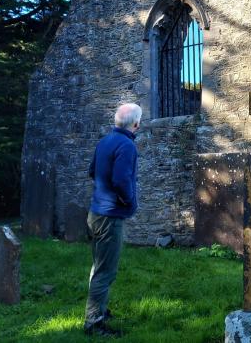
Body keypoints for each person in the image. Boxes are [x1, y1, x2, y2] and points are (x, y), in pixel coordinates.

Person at [84, 103, 142, 337]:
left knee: (98, 267)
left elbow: (91, 171)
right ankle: (94, 322)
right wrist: (128, 201)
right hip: (110, 217)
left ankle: (99, 310)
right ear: (136, 124)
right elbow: (121, 180)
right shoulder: (127, 145)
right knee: (106, 271)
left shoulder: (105, 141)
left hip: (95, 213)